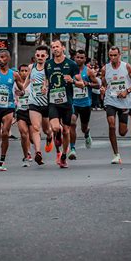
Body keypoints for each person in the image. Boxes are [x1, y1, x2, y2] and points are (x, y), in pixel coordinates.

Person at [44, 39, 83, 168]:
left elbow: (81, 84)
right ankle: (57, 135)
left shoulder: (71, 64)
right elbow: (46, 79)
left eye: (57, 47)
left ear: (63, 48)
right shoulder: (48, 64)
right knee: (55, 128)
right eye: (53, 47)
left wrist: (72, 81)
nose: (55, 49)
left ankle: (64, 156)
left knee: (66, 130)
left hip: (67, 102)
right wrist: (45, 87)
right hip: (53, 101)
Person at [100, 47, 131, 164]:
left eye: (115, 55)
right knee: (111, 125)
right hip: (110, 100)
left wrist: (126, 91)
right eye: (110, 55)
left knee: (122, 132)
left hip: (124, 101)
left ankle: (124, 128)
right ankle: (116, 154)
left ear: (119, 55)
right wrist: (102, 89)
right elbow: (104, 84)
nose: (112, 58)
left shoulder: (126, 67)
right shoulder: (105, 69)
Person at [23, 45, 53, 166]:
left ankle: (50, 137)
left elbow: (51, 80)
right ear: (35, 56)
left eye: (42, 55)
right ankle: (38, 153)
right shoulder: (32, 67)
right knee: (35, 128)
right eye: (38, 55)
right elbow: (28, 79)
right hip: (34, 102)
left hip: (46, 102)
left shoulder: (50, 67)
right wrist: (23, 89)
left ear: (46, 56)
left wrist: (47, 86)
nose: (40, 57)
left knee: (47, 130)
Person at [68, 50, 98, 160]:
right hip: (73, 103)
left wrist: (88, 83)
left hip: (85, 103)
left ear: (85, 59)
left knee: (83, 127)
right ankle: (72, 149)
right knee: (72, 122)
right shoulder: (70, 70)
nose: (79, 59)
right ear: (74, 58)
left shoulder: (88, 71)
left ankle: (86, 133)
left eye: (81, 57)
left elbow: (97, 85)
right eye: (77, 57)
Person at [15, 63, 33, 167]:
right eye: (22, 71)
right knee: (23, 134)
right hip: (20, 111)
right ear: (19, 72)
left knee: (32, 138)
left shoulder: (32, 83)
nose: (24, 73)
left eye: (26, 71)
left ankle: (32, 149)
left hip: (32, 111)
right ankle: (26, 155)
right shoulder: (15, 83)